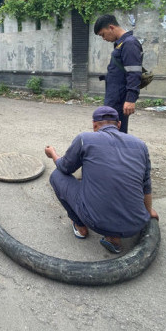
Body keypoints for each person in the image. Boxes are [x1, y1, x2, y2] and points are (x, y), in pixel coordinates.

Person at [44, 106, 158, 254]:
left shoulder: (85, 139)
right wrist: (148, 211)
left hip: (96, 222)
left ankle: (80, 226)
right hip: (137, 223)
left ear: (94, 125)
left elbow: (65, 168)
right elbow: (146, 185)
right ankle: (114, 239)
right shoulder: (140, 145)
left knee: (56, 176)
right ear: (118, 125)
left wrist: (52, 153)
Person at [94, 14, 143, 133]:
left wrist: (130, 99)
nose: (104, 38)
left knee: (116, 132)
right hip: (114, 97)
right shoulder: (122, 44)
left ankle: (117, 152)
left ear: (111, 27)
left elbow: (134, 73)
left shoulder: (130, 43)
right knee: (109, 131)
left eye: (103, 34)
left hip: (119, 99)